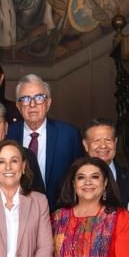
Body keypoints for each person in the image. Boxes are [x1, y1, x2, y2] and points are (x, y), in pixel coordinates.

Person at [8, 74, 84, 209]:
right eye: (25, 99)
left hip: (60, 212)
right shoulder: (8, 134)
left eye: (39, 98)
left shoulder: (69, 135)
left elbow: (80, 177)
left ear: (48, 103)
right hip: (16, 212)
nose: (32, 104)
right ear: (18, 106)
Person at [82, 118, 129, 205]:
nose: (103, 146)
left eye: (108, 140)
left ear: (115, 142)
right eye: (97, 140)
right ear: (86, 145)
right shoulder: (73, 181)